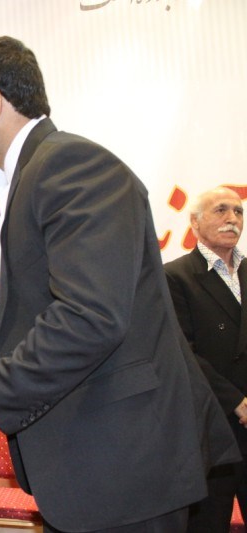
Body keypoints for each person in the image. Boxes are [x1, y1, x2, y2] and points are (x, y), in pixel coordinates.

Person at [0, 36, 242, 532]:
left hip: (125, 461)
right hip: (90, 462)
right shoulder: (28, 179)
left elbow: (89, 318)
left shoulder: (72, 167)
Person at [165, 186, 247, 532]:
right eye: (221, 210)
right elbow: (181, 352)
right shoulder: (174, 276)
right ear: (195, 222)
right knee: (208, 523)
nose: (232, 219)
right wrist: (237, 402)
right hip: (212, 425)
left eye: (238, 211)